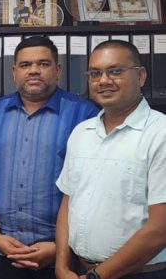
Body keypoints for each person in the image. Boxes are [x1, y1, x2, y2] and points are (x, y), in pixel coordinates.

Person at [0, 36, 98, 279]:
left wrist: (61, 247)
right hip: (1, 252)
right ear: (14, 72)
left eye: (43, 64)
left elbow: (95, 190)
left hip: (62, 257)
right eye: (26, 65)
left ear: (58, 70)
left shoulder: (86, 115)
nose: (34, 70)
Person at [56, 40, 166, 279]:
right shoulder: (81, 132)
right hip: (78, 271)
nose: (104, 81)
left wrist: (97, 276)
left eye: (115, 71)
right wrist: (61, 266)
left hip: (140, 274)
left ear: (141, 75)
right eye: (95, 73)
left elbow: (160, 229)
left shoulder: (160, 133)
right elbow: (68, 203)